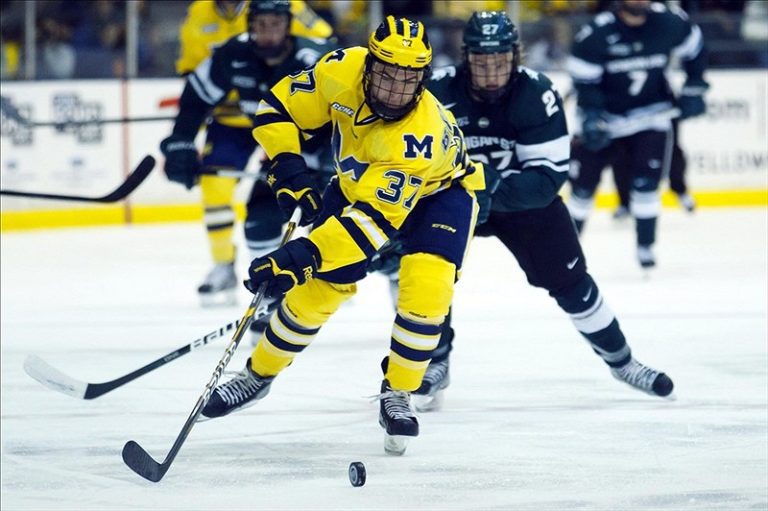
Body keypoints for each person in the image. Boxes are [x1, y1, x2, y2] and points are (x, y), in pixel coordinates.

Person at [200, 15, 484, 456]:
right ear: (368, 64)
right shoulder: (340, 69)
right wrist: (287, 164)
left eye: (407, 79)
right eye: (386, 73)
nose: (393, 89)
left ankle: (399, 392)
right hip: (357, 186)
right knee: (317, 293)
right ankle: (257, 377)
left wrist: (301, 254)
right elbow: (277, 108)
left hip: (439, 195)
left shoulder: (418, 136)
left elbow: (369, 227)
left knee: (426, 289)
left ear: (423, 79)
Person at [379, 11, 674, 412]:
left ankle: (622, 362)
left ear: (515, 57)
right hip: (452, 201)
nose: (490, 72)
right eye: (481, 62)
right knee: (430, 272)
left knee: (572, 283)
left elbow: (547, 180)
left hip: (520, 204)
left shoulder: (537, 93)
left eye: (499, 61)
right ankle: (436, 361)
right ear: (467, 58)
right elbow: (406, 156)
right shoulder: (437, 90)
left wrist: (486, 192)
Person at [161, 0, 333, 308]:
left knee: (320, 200)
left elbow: (339, 109)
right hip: (238, 121)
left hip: (299, 137)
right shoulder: (232, 51)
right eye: (260, 25)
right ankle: (228, 266)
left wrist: (323, 160)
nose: (267, 33)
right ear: (250, 25)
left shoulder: (311, 58)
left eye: (275, 24)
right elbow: (196, 95)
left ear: (288, 24)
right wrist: (180, 143)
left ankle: (329, 269)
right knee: (235, 200)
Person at [566, 0, 708, 268]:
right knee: (582, 189)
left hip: (651, 116)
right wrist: (593, 116)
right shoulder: (595, 34)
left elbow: (695, 47)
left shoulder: (669, 22)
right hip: (607, 120)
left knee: (646, 185)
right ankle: (565, 251)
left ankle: (646, 247)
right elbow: (584, 81)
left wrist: (695, 87)